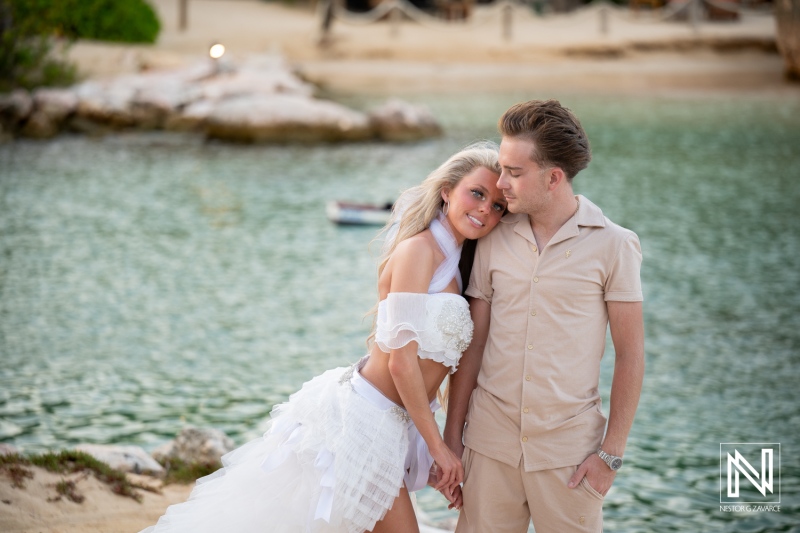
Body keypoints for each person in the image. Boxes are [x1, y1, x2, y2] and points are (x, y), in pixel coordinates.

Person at [140, 141, 507, 533]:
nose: (486, 208)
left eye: (499, 205)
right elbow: (401, 362)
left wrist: (443, 444)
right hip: (363, 421)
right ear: (447, 190)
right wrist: (437, 447)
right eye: (477, 193)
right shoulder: (419, 251)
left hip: (398, 424)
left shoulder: (458, 263)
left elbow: (440, 367)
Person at [442, 100, 645, 532]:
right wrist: (452, 437)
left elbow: (630, 355)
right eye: (502, 169)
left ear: (553, 178)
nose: (501, 184)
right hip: (488, 447)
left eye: (514, 173)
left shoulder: (615, 245)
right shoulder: (493, 238)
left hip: (570, 457)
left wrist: (610, 455)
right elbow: (475, 343)